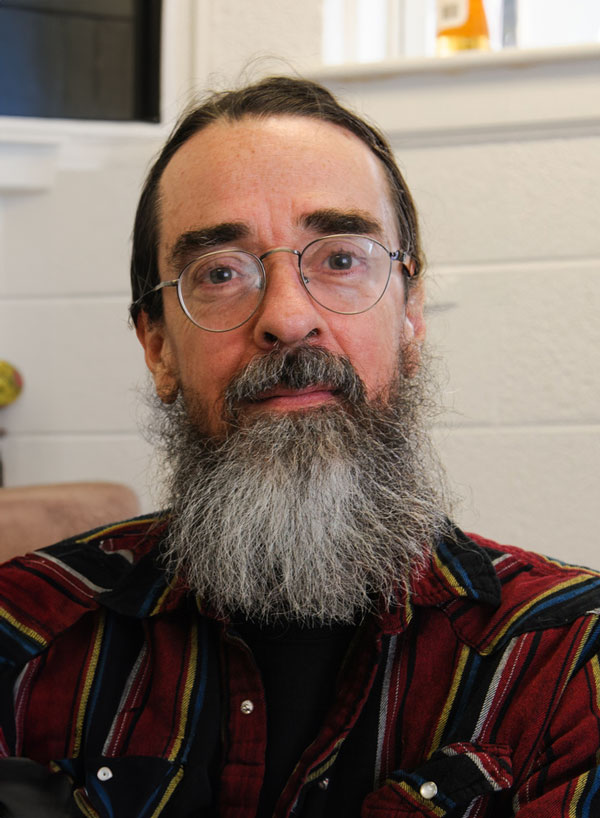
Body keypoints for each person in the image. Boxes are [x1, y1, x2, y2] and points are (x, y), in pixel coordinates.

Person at [1, 75, 600, 818]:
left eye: (341, 260)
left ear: (411, 318)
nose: (287, 318)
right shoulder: (20, 643)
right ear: (156, 346)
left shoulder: (566, 662)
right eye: (221, 273)